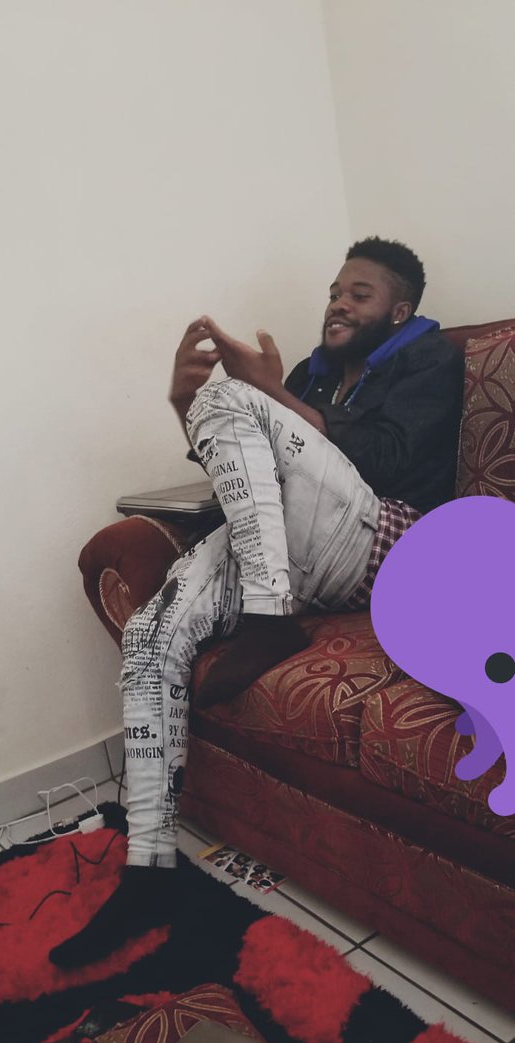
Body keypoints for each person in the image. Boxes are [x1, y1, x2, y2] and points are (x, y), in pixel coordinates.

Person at [50, 237, 464, 968]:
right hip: (291, 551)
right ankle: (149, 869)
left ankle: (268, 620)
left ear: (398, 311)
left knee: (231, 396)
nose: (337, 303)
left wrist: (268, 396)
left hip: (384, 544)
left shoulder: (430, 358)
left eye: (358, 294)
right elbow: (247, 471)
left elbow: (388, 460)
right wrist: (185, 405)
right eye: (334, 290)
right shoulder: (311, 371)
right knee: (149, 637)